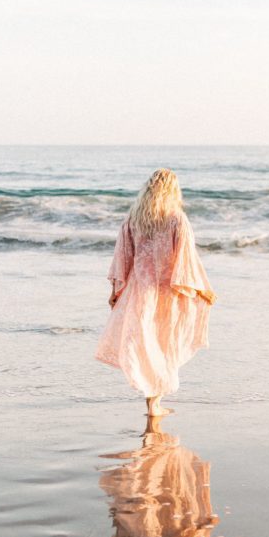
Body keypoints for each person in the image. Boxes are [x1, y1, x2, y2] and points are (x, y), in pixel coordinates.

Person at [95, 168, 216, 416]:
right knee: (163, 343)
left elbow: (122, 257)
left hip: (139, 290)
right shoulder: (176, 218)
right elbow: (187, 258)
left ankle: (153, 401)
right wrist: (202, 288)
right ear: (173, 190)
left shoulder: (133, 218)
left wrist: (116, 290)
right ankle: (155, 404)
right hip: (166, 292)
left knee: (145, 343)